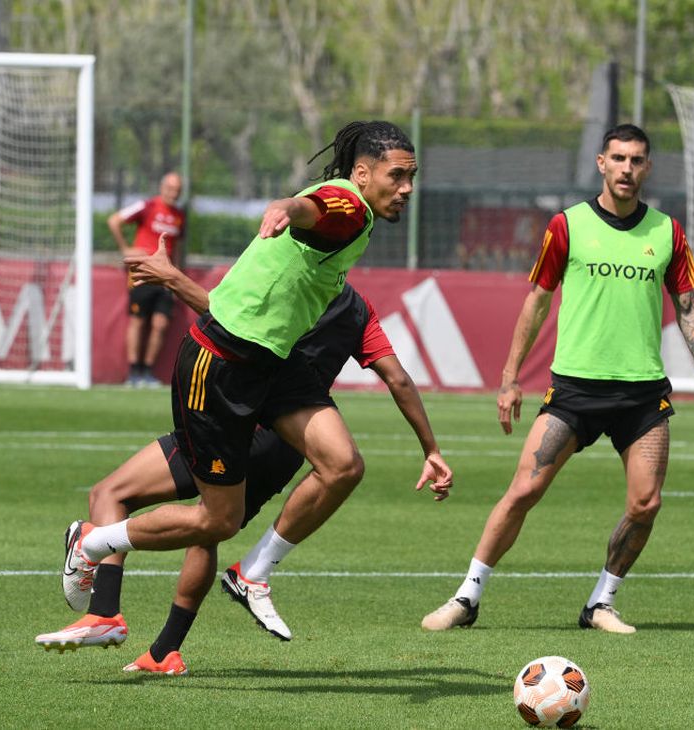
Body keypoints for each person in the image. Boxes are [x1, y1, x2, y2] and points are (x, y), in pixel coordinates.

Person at [58, 121, 420, 636]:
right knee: (215, 522)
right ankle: (95, 549)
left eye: (412, 177)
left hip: (264, 369)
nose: (406, 187)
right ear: (363, 174)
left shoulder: (344, 247)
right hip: (220, 370)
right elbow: (316, 210)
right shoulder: (348, 205)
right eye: (398, 175)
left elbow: (238, 304)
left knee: (337, 467)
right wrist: (287, 209)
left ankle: (231, 586)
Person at [37, 240, 451, 675]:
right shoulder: (359, 310)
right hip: (293, 445)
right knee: (210, 526)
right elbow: (398, 379)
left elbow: (228, 325)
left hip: (243, 420)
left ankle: (102, 601)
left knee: (113, 492)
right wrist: (431, 449)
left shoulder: (292, 286)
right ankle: (164, 652)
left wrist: (173, 277)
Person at [421, 124, 694, 635]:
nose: (627, 168)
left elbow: (686, 304)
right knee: (522, 493)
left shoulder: (667, 232)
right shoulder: (567, 225)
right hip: (573, 391)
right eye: (618, 158)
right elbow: (537, 300)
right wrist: (509, 379)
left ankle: (600, 603)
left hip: (642, 394)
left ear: (647, 168)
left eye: (637, 160)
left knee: (646, 504)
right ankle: (467, 597)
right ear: (601, 163)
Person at [108, 171, 185, 386]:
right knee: (138, 320)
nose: (174, 193)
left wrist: (176, 275)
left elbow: (175, 248)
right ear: (162, 187)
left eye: (178, 190)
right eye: (170, 189)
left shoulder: (180, 215)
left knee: (160, 324)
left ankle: (148, 372)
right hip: (143, 272)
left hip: (165, 276)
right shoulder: (147, 206)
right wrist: (127, 249)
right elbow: (114, 221)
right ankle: (134, 372)